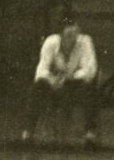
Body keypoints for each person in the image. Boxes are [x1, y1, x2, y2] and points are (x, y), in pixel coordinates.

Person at [21, 17, 100, 147]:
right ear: (60, 36)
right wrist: (52, 80)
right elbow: (41, 70)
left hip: (75, 84)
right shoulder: (51, 43)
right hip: (55, 84)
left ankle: (90, 134)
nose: (73, 38)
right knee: (37, 87)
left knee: (89, 89)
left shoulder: (85, 41)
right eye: (69, 35)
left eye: (76, 33)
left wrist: (72, 76)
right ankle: (28, 132)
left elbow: (90, 70)